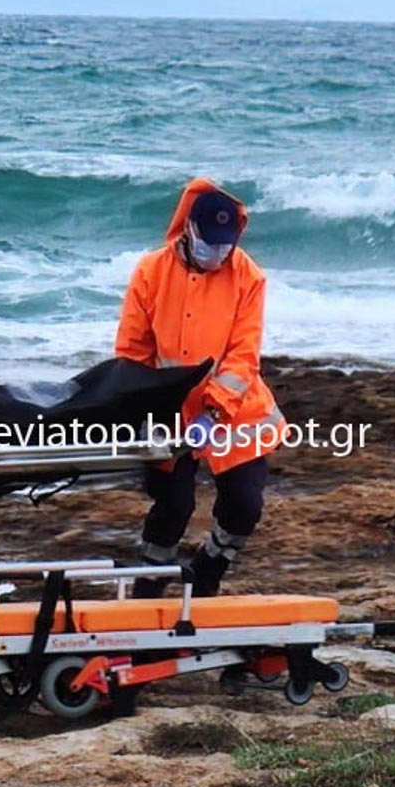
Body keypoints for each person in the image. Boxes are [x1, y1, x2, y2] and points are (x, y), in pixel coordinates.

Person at [115, 178, 286, 597]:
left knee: (245, 506)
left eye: (225, 247)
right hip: (168, 412)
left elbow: (244, 354)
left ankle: (207, 572)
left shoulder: (249, 276)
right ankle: (148, 591)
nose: (219, 254)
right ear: (189, 231)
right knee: (173, 506)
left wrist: (213, 413)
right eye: (211, 245)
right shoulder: (151, 272)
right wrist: (141, 415)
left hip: (235, 411)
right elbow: (133, 352)